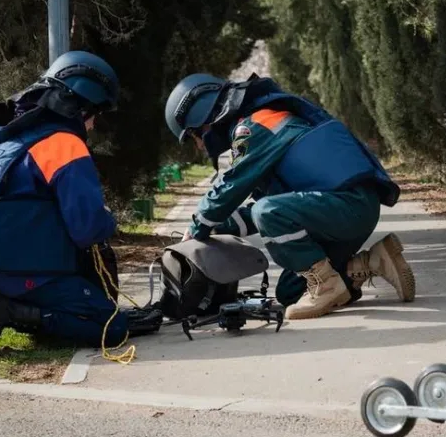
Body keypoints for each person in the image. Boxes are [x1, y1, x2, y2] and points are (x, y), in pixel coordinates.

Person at [0, 50, 160, 358]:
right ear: (80, 107)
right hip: (19, 275)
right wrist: (108, 219)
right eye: (95, 115)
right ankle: (7, 310)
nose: (92, 126)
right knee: (112, 326)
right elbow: (88, 230)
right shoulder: (63, 144)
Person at [163, 72, 415, 320]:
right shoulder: (266, 119)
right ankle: (373, 261)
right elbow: (277, 208)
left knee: (267, 212)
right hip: (340, 208)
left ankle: (327, 286)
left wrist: (198, 227)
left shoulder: (254, 125)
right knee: (290, 291)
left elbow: (233, 187)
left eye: (195, 136)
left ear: (204, 115)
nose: (198, 145)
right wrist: (219, 227)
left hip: (347, 207)